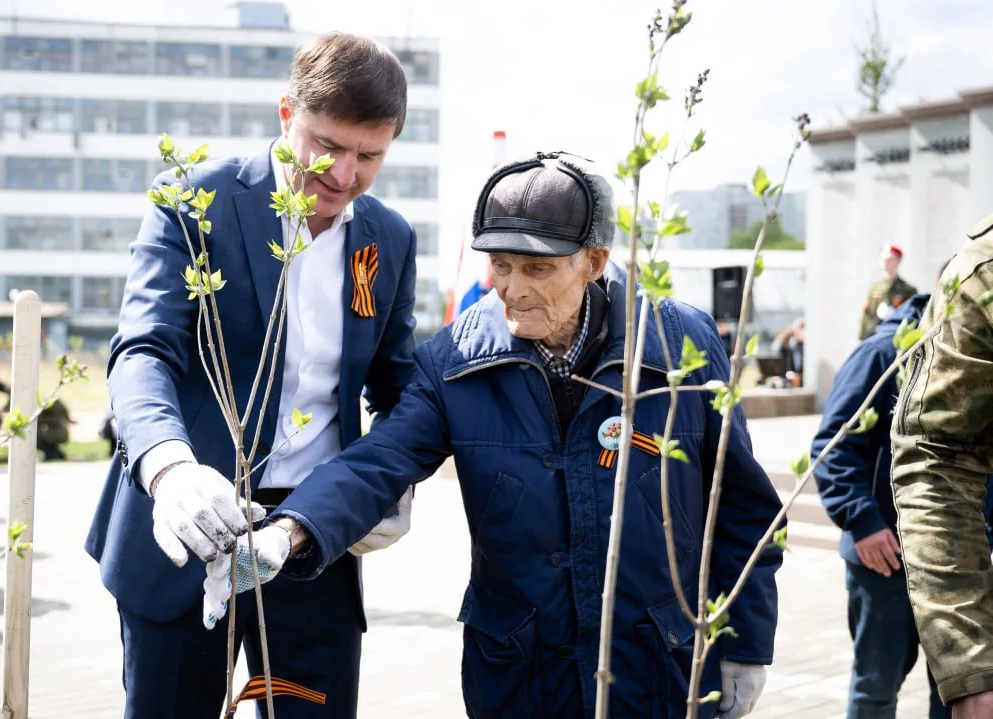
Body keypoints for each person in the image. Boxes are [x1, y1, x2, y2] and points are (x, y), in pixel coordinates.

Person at [206, 153, 784, 718]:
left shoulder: (677, 348)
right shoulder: (455, 362)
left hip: (657, 669)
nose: (512, 289)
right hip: (520, 675)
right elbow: (378, 460)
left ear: (595, 260)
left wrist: (747, 645)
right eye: (500, 265)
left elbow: (741, 507)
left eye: (537, 269)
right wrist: (288, 532)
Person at [85, 31, 420, 718]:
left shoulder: (390, 239)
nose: (345, 175)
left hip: (314, 540)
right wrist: (168, 467)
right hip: (186, 528)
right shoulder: (194, 203)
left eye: (370, 156)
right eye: (327, 146)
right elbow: (144, 350)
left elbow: (396, 384)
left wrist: (392, 479)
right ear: (285, 114)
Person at [812, 287, 985, 719]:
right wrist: (862, 521)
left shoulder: (980, 361)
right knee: (875, 690)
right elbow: (833, 448)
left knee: (958, 693)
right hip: (884, 562)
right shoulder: (879, 355)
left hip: (959, 567)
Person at [892, 213, 993, 718]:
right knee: (876, 681)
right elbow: (937, 453)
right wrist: (970, 670)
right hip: (895, 554)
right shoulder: (984, 272)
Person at [859, 244, 918, 340]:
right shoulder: (874, 288)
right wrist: (863, 338)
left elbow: (912, 317)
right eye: (882, 259)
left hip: (896, 337)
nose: (885, 262)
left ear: (898, 261)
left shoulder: (908, 290)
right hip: (874, 335)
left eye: (890, 259)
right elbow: (867, 315)